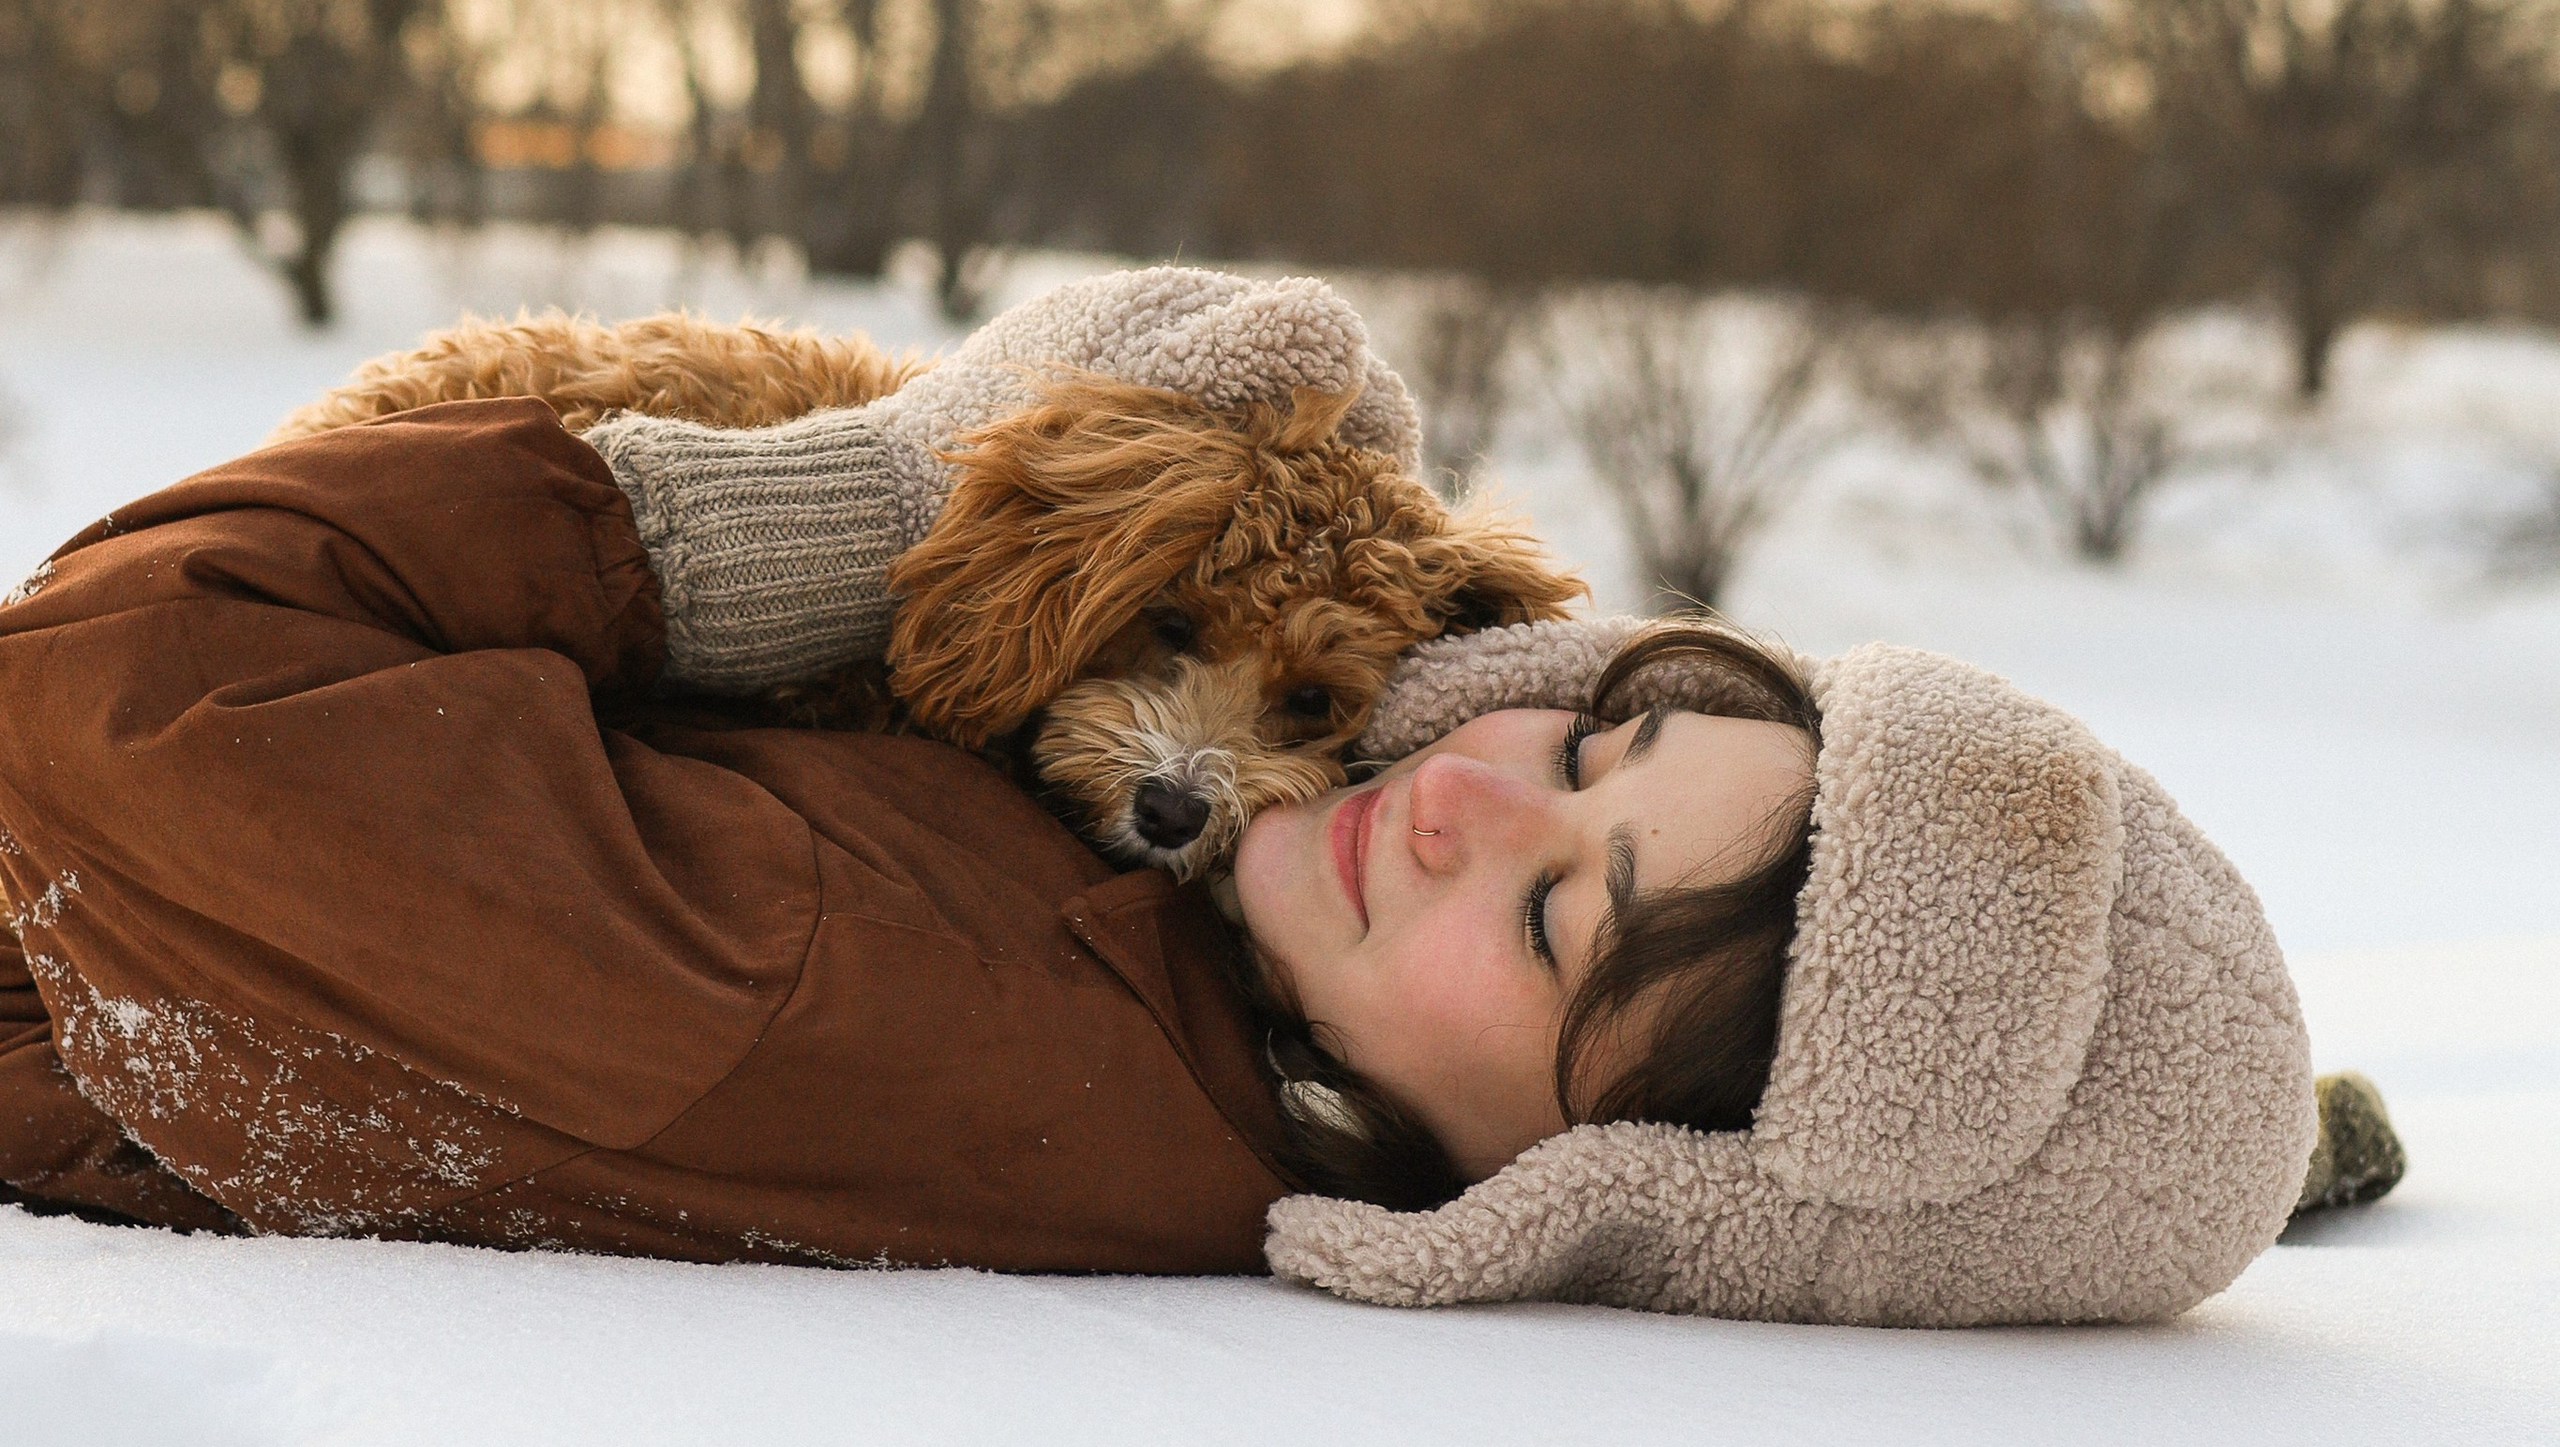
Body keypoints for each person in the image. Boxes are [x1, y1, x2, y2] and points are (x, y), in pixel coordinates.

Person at [0, 272, 2328, 1325]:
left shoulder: (911, 987)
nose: (1462, 804)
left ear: (1595, 1190)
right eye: (1588, 738)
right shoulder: (1251, 983)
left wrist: (866, 499)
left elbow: (108, 696)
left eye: (1554, 929)